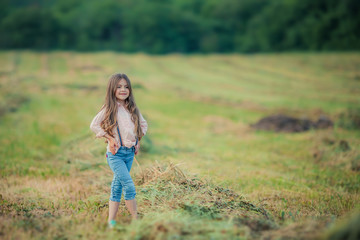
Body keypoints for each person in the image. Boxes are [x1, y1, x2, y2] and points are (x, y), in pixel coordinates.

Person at [90, 73, 148, 228]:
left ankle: (111, 222)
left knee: (117, 186)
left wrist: (138, 140)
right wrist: (109, 138)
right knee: (129, 185)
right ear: (112, 89)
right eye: (119, 86)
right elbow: (94, 125)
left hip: (129, 154)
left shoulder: (132, 109)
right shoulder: (110, 108)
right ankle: (136, 220)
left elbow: (143, 125)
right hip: (115, 154)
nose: (123, 89)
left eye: (126, 87)